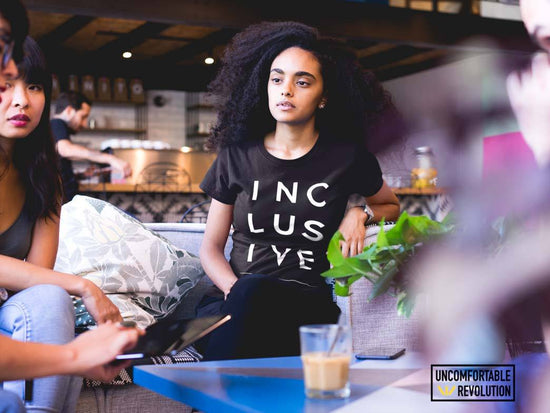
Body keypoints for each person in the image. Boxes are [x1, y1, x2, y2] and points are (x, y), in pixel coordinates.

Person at [196, 21, 400, 361]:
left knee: (252, 302)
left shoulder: (347, 159)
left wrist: (358, 213)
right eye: (277, 79)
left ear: (324, 97)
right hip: (234, 299)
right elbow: (210, 249)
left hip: (305, 307)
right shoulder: (236, 156)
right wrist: (237, 292)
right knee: (250, 293)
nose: (286, 90)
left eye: (302, 81)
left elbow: (390, 206)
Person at [0, 30, 131, 412]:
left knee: (50, 298)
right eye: (4, 86)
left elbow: (37, 278)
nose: (22, 100)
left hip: (8, 307)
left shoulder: (45, 176)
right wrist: (85, 286)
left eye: (35, 86)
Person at [51, 91, 132, 203]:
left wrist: (82, 175)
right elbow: (65, 150)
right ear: (69, 110)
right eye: (83, 116)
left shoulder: (57, 129)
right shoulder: (56, 124)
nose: (84, 124)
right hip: (62, 206)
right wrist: (111, 159)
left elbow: (58, 171)